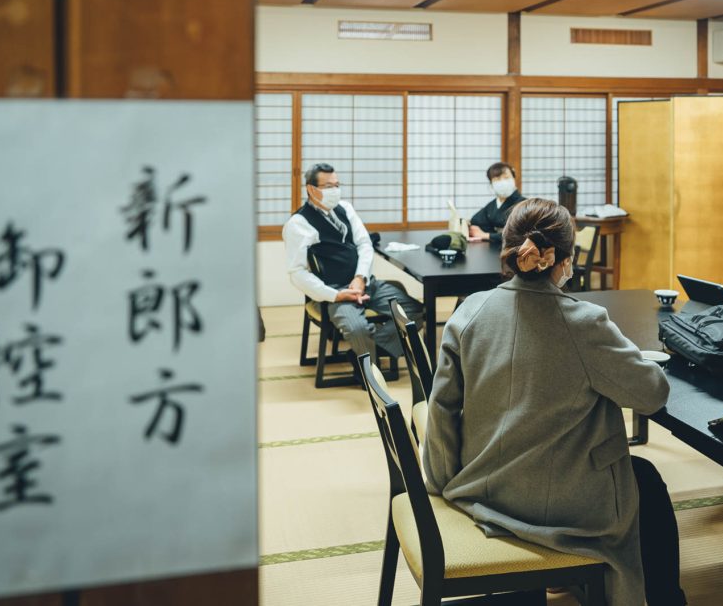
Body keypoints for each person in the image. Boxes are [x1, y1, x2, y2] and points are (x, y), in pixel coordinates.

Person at [424, 198, 687, 606]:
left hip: (482, 487)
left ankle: (572, 580)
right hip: (556, 504)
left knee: (643, 478)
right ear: (565, 261)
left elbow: (441, 408)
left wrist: (444, 485)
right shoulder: (583, 323)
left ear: (509, 249)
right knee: (646, 480)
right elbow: (650, 395)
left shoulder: (471, 311)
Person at [282, 163, 423, 359]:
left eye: (337, 185)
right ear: (311, 189)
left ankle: (367, 355)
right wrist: (335, 295)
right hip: (335, 292)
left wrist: (360, 278)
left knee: (414, 312)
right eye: (329, 187)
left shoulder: (345, 209)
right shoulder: (298, 224)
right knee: (357, 329)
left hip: (366, 284)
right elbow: (297, 273)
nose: (335, 191)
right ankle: (368, 363)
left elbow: (364, 244)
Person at [468, 161, 525, 243]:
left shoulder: (524, 204)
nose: (502, 182)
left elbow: (520, 234)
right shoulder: (492, 205)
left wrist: (486, 235)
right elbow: (476, 221)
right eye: (497, 179)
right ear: (491, 184)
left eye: (506, 177)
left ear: (514, 178)